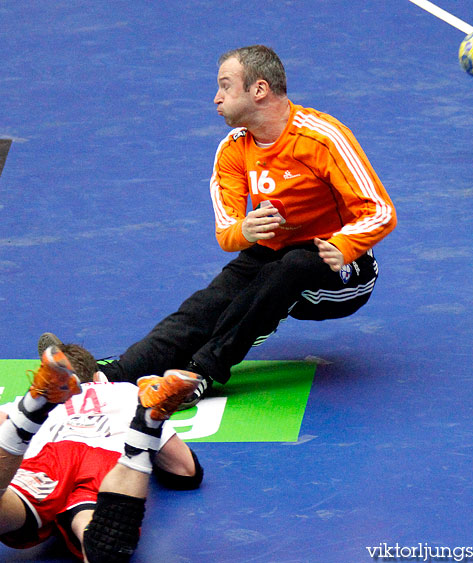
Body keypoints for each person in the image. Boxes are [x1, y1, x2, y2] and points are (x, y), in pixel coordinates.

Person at [74, 45, 397, 408]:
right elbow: (227, 231)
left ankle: (200, 374)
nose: (216, 98)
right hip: (273, 255)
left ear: (258, 90)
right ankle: (109, 375)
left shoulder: (322, 138)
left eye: (225, 87)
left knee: (285, 273)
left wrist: (343, 245)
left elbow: (379, 210)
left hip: (339, 269)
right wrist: (246, 230)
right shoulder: (233, 149)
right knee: (206, 305)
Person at [0, 343, 202, 562]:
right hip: (104, 462)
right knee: (101, 545)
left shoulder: (60, 393)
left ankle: (30, 410)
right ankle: (145, 428)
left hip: (48, 460)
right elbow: (185, 470)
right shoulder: (124, 391)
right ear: (99, 378)